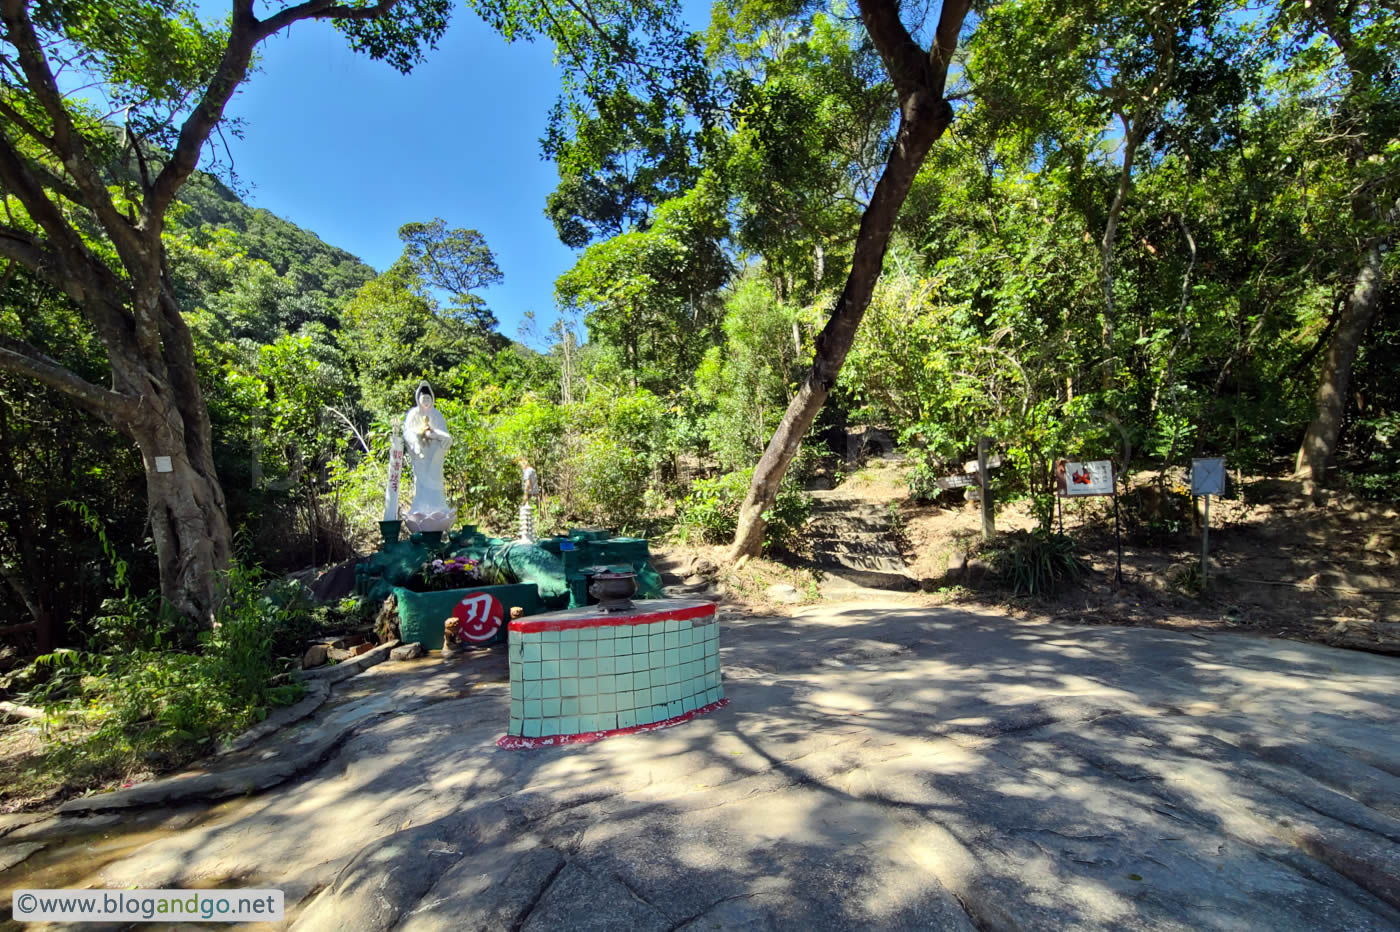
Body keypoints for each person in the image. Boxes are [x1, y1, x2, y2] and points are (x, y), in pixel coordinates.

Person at [402, 382, 454, 531]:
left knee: (436, 484)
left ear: (432, 399)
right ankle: (420, 508)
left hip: (435, 458)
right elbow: (407, 433)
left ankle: (440, 509)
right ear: (418, 399)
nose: (426, 402)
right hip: (420, 458)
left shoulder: (437, 415)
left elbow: (445, 435)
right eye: (423, 399)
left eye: (428, 399)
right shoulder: (413, 414)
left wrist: (435, 434)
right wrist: (416, 442)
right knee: (421, 485)